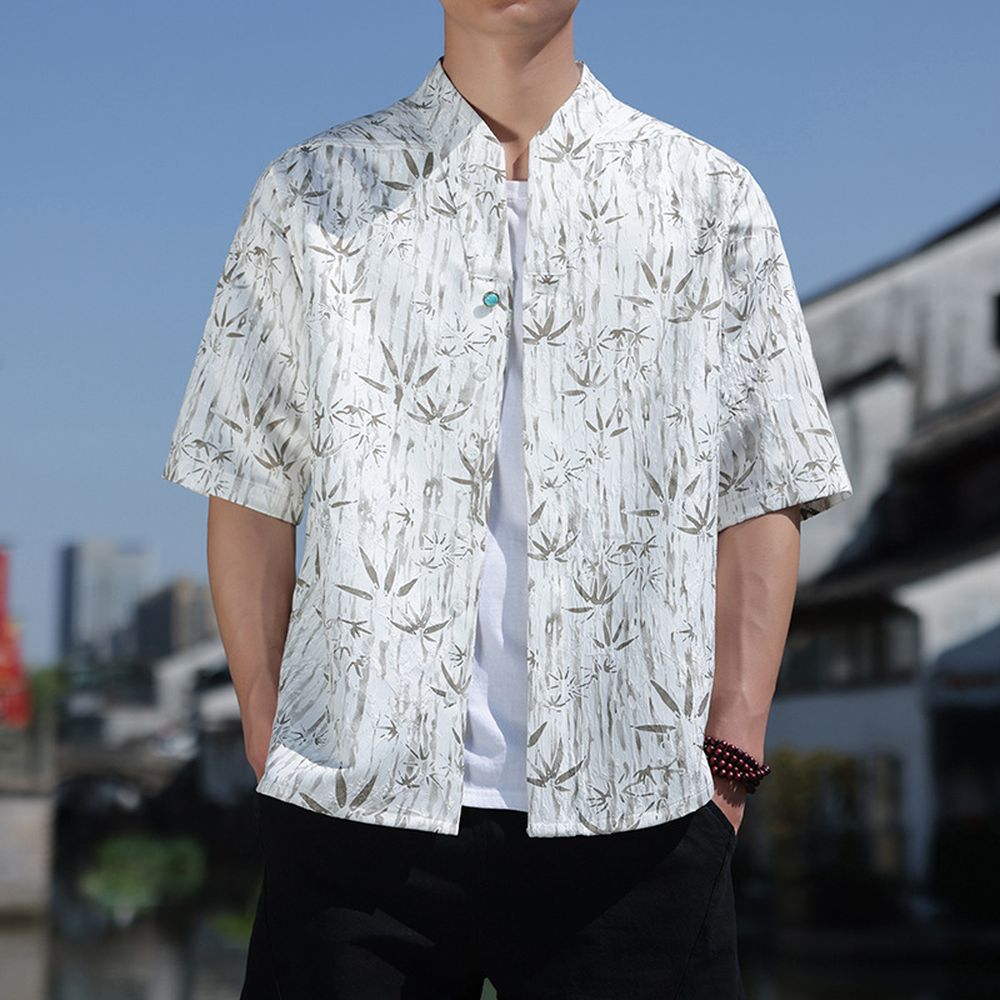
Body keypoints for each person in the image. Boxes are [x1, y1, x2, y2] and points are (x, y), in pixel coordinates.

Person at [163, 2, 853, 997]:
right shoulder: (309, 194)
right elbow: (248, 477)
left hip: (641, 817)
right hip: (354, 815)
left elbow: (763, 481)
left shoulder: (708, 197)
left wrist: (730, 761)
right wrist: (272, 734)